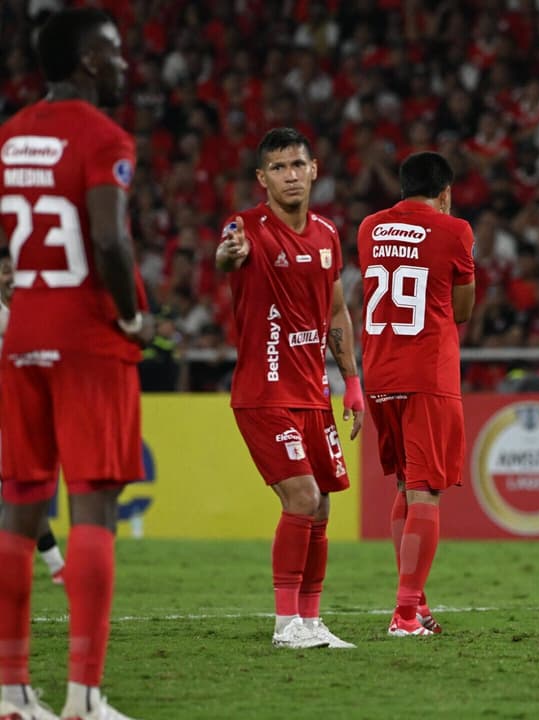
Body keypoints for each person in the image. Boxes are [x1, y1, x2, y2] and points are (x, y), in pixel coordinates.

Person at [0, 8, 154, 720]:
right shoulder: (103, 136)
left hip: (21, 328)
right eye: (114, 53)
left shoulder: (9, 136)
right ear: (89, 61)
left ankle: (10, 691)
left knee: (19, 506)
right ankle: (84, 697)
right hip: (87, 336)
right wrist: (132, 316)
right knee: (91, 501)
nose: (124, 65)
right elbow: (110, 241)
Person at [215, 127, 364, 650]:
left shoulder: (326, 234)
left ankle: (311, 621)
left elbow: (337, 311)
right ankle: (284, 625)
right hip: (264, 391)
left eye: (297, 165)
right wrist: (228, 253)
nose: (290, 175)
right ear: (263, 179)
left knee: (322, 507)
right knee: (302, 497)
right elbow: (226, 258)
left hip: (312, 392)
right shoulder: (247, 228)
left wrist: (352, 383)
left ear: (314, 168)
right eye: (278, 168)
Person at [357, 152, 475, 637]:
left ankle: (417, 603)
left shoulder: (369, 228)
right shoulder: (455, 230)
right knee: (426, 490)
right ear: (445, 192)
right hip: (428, 372)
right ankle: (405, 615)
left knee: (406, 486)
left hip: (380, 373)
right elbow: (463, 309)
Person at [0, 249, 66, 587]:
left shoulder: (39, 312)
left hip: (24, 418)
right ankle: (55, 566)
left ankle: (55, 566)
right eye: (5, 272)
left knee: (27, 493)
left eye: (15, 271)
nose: (11, 278)